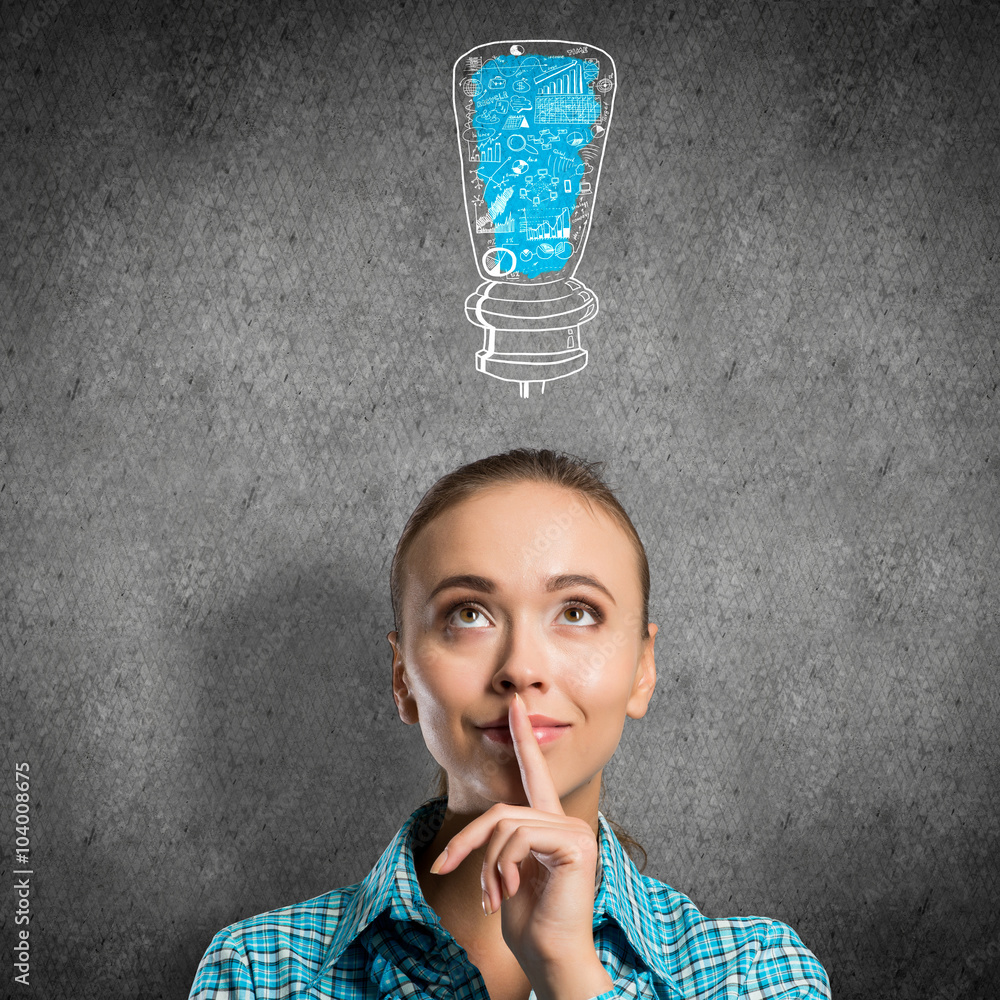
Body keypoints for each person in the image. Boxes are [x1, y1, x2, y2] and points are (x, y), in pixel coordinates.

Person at [189, 448, 831, 1000]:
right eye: (468, 614)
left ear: (642, 668)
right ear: (402, 677)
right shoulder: (258, 972)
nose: (521, 669)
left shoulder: (755, 975)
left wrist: (569, 973)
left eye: (577, 612)